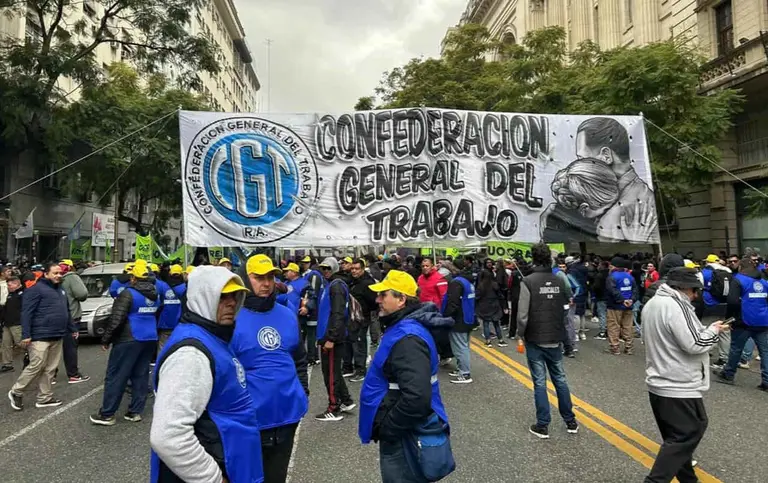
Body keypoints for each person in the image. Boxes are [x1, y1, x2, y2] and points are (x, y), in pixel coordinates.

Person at [150, 265, 263, 483]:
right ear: (203, 297)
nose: (231, 302)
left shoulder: (212, 337)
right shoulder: (190, 354)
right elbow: (168, 435)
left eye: (235, 296)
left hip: (229, 461)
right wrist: (213, 478)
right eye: (222, 296)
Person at [359, 270, 455, 483]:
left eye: (383, 295)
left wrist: (388, 428)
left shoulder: (408, 339)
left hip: (405, 434)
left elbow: (417, 397)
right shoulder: (401, 328)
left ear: (401, 299)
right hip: (404, 430)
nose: (378, 300)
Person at [641, 267, 726, 483]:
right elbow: (695, 343)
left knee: (678, 438)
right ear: (684, 288)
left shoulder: (653, 304)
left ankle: (688, 480)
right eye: (695, 290)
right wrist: (714, 331)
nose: (696, 295)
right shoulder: (676, 305)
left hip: (660, 380)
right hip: (678, 382)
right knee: (687, 434)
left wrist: (707, 330)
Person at [231, 255, 308, 483]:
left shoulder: (287, 314)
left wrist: (303, 392)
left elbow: (299, 359)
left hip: (287, 417)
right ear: (245, 279)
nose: (266, 283)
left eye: (271, 277)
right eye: (259, 277)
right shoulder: (231, 316)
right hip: (248, 421)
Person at [516, 242, 579, 439]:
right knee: (560, 379)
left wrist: (520, 334)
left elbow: (522, 315)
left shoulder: (528, 281)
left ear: (533, 258)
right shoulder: (559, 279)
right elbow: (567, 301)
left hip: (535, 337)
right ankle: (570, 421)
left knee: (540, 382)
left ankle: (543, 424)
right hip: (555, 335)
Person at [90, 260, 159, 425]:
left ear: (133, 278)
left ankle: (107, 414)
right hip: (150, 337)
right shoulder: (155, 294)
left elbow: (117, 319)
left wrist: (106, 339)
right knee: (141, 375)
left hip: (129, 337)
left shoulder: (128, 294)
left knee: (117, 375)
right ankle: (135, 412)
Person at [8, 263, 75, 411]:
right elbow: (27, 313)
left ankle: (45, 398)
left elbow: (66, 311)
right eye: (55, 273)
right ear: (46, 274)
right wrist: (26, 334)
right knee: (36, 365)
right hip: (39, 335)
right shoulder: (35, 290)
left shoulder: (61, 290)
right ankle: (16, 391)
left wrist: (72, 328)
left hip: (57, 334)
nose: (58, 275)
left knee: (50, 368)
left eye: (60, 273)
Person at [714, 258, 768, 390]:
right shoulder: (763, 282)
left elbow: (732, 302)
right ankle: (766, 381)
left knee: (736, 348)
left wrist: (730, 320)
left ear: (740, 267)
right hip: (763, 321)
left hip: (743, 321)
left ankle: (728, 374)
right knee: (765, 351)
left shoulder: (738, 280)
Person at [540, 158, 620, 242]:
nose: (608, 213)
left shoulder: (558, 215)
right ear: (584, 208)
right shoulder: (565, 236)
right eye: (605, 210)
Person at [315, 257, 355, 421]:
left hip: (332, 337)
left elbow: (338, 313)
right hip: (330, 335)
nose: (325, 271)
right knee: (334, 372)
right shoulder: (333, 284)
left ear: (334, 269)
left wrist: (331, 338)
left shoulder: (336, 285)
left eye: (328, 268)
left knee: (330, 374)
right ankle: (345, 400)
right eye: (323, 268)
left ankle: (334, 407)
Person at [443, 256, 476, 384]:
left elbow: (453, 303)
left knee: (460, 347)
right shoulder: (467, 281)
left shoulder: (456, 283)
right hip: (468, 317)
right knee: (464, 345)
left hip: (459, 319)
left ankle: (465, 373)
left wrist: (445, 316)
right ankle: (461, 368)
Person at [58, 259, 90, 384]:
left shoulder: (50, 279)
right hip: (71, 317)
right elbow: (82, 294)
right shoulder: (71, 277)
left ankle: (51, 375)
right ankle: (73, 374)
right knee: (70, 347)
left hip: (55, 317)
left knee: (53, 347)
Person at [347, 258, 378, 383]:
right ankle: (354, 368)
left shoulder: (367, 283)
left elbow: (373, 302)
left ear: (363, 269)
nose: (354, 271)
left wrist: (364, 311)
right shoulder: (352, 280)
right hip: (352, 317)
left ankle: (361, 371)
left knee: (359, 344)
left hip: (362, 318)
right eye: (352, 268)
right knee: (353, 342)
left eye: (357, 269)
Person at [605, 257, 638, 355]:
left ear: (613, 266)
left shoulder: (612, 277)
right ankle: (629, 347)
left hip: (614, 306)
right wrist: (631, 300)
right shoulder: (629, 276)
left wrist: (622, 300)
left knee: (614, 326)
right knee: (628, 326)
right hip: (629, 305)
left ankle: (615, 347)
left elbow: (612, 291)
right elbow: (635, 290)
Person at [300, 256, 325, 366]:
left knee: (311, 334)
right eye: (303, 262)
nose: (304, 264)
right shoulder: (307, 274)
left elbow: (313, 294)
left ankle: (312, 357)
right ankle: (313, 356)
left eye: (306, 262)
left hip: (313, 310)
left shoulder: (314, 275)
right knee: (310, 334)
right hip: (310, 308)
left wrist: (308, 307)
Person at [156, 264, 187, 352]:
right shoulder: (185, 288)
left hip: (165, 323)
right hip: (180, 323)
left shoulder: (163, 286)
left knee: (162, 348)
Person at [475, 267, 507, 348]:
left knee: (486, 324)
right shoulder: (494, 284)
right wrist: (504, 306)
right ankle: (500, 340)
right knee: (496, 324)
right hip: (494, 305)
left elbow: (477, 297)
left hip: (484, 306)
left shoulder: (481, 286)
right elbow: (500, 295)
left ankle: (488, 341)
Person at [1, 276, 24, 372]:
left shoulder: (22, 294)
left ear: (16, 284)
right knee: (6, 344)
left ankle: (33, 357)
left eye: (10, 285)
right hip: (7, 323)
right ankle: (7, 364)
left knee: (21, 343)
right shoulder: (9, 294)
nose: (8, 287)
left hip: (17, 323)